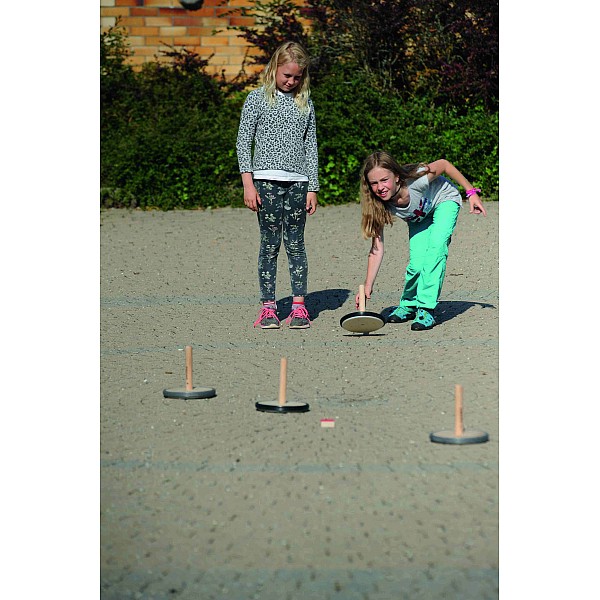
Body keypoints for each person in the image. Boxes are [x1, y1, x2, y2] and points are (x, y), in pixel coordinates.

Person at [236, 41, 319, 330]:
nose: (291, 81)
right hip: (265, 182)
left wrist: (313, 187)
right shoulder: (257, 99)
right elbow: (243, 142)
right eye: (287, 75)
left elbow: (311, 146)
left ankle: (299, 307)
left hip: (298, 183)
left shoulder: (305, 102)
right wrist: (248, 184)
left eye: (297, 77)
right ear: (274, 69)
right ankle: (268, 307)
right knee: (270, 243)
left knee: (296, 244)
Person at [357, 150, 487, 331]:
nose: (380, 187)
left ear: (396, 177)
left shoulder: (416, 181)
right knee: (417, 265)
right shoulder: (378, 204)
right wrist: (368, 285)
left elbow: (444, 164)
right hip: (419, 218)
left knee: (436, 251)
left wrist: (471, 192)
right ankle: (409, 305)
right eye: (374, 183)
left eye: (384, 180)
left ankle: (425, 308)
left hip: (444, 201)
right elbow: (376, 249)